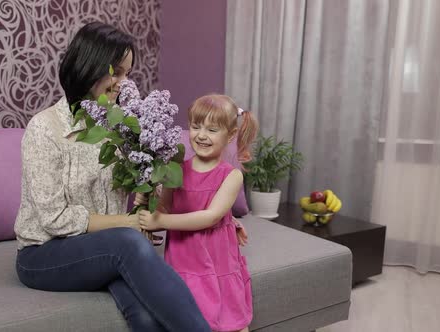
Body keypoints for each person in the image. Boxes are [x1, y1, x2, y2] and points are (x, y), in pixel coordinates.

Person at [14, 22, 211, 332]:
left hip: (106, 250)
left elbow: (135, 192)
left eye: (128, 73)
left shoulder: (119, 128)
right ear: (89, 65)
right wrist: (128, 226)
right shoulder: (44, 128)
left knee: (147, 317)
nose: (123, 82)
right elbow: (54, 219)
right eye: (117, 71)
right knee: (128, 243)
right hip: (43, 255)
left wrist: (147, 206)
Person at [138, 94, 259, 332]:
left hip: (216, 257)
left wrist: (161, 220)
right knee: (189, 317)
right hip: (184, 257)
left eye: (212, 130)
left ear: (230, 135)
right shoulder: (175, 170)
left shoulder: (231, 175)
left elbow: (211, 216)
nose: (201, 135)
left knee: (230, 320)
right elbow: (165, 207)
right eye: (195, 127)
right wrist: (149, 206)